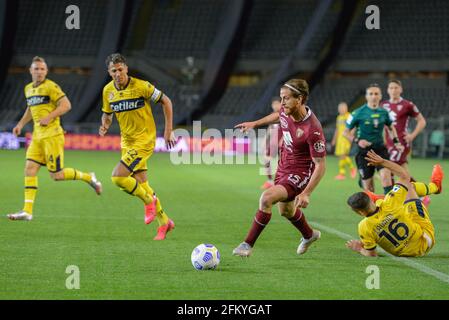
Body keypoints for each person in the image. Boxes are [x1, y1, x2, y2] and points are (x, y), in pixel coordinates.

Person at [232, 79, 326, 257]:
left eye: (287, 99)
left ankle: (247, 244)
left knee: (266, 198)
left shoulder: (312, 129)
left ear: (300, 99)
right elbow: (278, 115)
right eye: (281, 98)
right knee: (286, 211)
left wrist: (307, 192)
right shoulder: (286, 110)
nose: (282, 103)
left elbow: (321, 165)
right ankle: (309, 235)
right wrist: (255, 123)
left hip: (300, 172)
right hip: (284, 166)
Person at [7, 56, 102, 221]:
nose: (39, 72)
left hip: (52, 136)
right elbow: (31, 108)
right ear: (30, 71)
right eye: (36, 69)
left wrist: (49, 117)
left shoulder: (51, 87)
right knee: (29, 169)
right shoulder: (28, 88)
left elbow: (66, 105)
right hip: (37, 136)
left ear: (46, 71)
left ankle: (89, 177)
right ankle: (27, 211)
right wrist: (20, 125)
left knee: (56, 175)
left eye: (42, 69)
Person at [99, 53, 176, 240]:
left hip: (144, 140)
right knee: (143, 184)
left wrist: (168, 131)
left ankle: (149, 202)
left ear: (126, 68)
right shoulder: (107, 91)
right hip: (127, 142)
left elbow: (166, 101)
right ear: (109, 72)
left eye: (120, 69)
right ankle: (164, 222)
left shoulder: (142, 86)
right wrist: (105, 124)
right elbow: (107, 113)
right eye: (113, 71)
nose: (118, 73)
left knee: (118, 177)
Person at [346, 150, 443, 257]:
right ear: (370, 200)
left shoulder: (363, 227)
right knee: (409, 187)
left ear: (359, 212)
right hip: (425, 241)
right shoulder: (390, 202)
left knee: (396, 203)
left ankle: (382, 199)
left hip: (405, 254)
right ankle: (435, 187)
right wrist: (382, 162)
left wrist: (359, 248)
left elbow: (372, 254)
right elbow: (404, 176)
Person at [343, 83, 403, 194]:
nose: (374, 96)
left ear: (380, 96)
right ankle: (364, 182)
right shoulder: (357, 113)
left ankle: (388, 208)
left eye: (376, 94)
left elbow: (391, 127)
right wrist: (358, 141)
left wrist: (396, 141)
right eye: (371, 94)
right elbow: (345, 132)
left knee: (386, 178)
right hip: (364, 152)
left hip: (380, 149)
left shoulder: (384, 112)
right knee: (369, 189)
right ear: (367, 96)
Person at [381, 80, 426, 170]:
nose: (393, 90)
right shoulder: (383, 105)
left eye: (396, 88)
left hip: (401, 142)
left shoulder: (408, 105)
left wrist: (412, 136)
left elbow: (422, 121)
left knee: (390, 169)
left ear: (401, 89)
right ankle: (411, 184)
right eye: (391, 88)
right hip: (388, 143)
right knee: (401, 171)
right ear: (387, 90)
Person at [331, 102, 356, 180]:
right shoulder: (339, 117)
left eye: (343, 108)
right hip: (339, 139)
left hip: (346, 139)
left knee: (343, 155)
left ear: (346, 108)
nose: (341, 109)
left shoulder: (349, 116)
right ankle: (342, 174)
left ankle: (352, 169)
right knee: (340, 156)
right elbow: (337, 129)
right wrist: (334, 139)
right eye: (340, 108)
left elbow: (354, 127)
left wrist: (350, 136)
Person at [260, 97, 282, 190]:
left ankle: (279, 182)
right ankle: (270, 181)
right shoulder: (273, 115)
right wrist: (265, 139)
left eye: (277, 103)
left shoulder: (285, 114)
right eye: (273, 104)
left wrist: (283, 140)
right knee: (266, 159)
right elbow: (270, 128)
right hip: (273, 141)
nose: (275, 106)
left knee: (282, 162)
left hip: (283, 141)